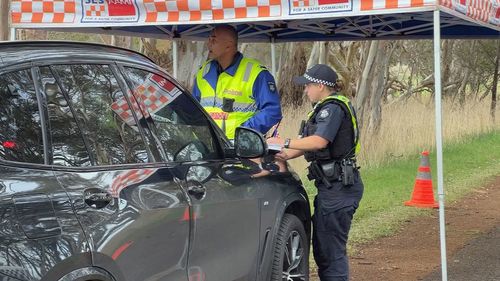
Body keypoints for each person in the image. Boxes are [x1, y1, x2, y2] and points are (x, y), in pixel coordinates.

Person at [267, 64, 364, 281]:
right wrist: (282, 153)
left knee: (331, 251)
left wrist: (284, 141)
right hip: (332, 187)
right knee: (323, 248)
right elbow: (307, 145)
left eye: (308, 85)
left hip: (339, 189)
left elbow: (320, 141)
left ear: (320, 86)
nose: (305, 90)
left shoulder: (332, 109)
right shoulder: (323, 108)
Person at [192, 25, 282, 140]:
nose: (208, 44)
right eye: (209, 39)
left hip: (241, 149)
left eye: (213, 40)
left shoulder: (256, 73)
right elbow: (193, 109)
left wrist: (244, 133)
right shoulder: (203, 72)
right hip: (208, 147)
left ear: (228, 46)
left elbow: (272, 111)